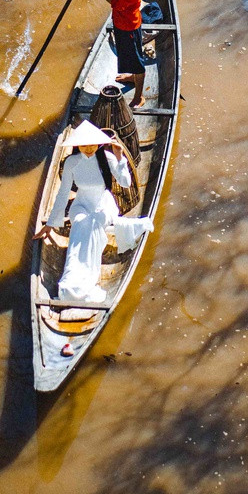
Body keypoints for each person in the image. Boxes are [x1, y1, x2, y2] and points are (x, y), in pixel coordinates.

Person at [33, 119, 154, 352]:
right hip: (80, 205)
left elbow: (126, 182)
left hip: (103, 204)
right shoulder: (71, 162)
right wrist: (51, 224)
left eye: (92, 145)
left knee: (95, 225)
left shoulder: (106, 158)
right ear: (78, 145)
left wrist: (119, 157)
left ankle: (87, 284)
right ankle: (71, 285)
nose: (88, 149)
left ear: (98, 144)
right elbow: (62, 194)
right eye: (84, 145)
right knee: (79, 225)